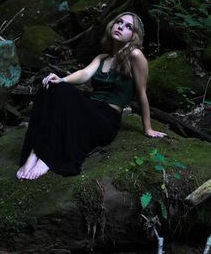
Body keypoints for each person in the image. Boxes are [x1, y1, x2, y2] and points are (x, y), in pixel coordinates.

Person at [16, 12, 167, 180]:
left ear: (134, 35)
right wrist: (61, 79)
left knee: (64, 92)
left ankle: (47, 158)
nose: (120, 27)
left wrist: (148, 128)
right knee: (50, 86)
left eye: (128, 27)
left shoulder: (135, 56)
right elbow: (84, 74)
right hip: (91, 109)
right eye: (119, 22)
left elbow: (141, 93)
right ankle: (35, 152)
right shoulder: (102, 57)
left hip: (106, 119)